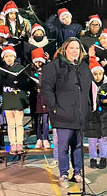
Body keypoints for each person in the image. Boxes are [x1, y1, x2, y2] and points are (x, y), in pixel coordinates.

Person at [41, 37, 93, 188]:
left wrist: (89, 106)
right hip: (62, 112)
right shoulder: (55, 66)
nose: (75, 50)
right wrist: (54, 106)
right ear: (65, 49)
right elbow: (46, 88)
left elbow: (88, 88)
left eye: (77, 48)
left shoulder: (83, 67)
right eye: (72, 48)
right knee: (63, 146)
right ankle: (63, 174)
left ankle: (77, 172)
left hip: (80, 113)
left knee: (78, 145)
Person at [0, 45, 30, 155]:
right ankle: (12, 144)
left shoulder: (20, 68)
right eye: (6, 56)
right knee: (11, 124)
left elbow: (27, 82)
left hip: (18, 99)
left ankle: (19, 143)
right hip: (7, 99)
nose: (9, 58)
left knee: (19, 124)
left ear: (14, 56)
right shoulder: (1, 70)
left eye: (11, 56)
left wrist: (19, 82)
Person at [86, 57, 107, 169]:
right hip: (92, 116)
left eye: (100, 73)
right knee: (92, 140)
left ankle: (103, 158)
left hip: (104, 116)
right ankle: (93, 158)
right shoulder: (88, 86)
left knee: (103, 139)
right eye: (95, 74)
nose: (98, 76)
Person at [29, 48, 50, 149]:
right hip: (35, 98)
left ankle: (45, 138)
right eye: (36, 61)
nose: (38, 63)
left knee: (45, 120)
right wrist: (34, 88)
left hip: (45, 97)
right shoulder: (31, 70)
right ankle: (38, 138)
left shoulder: (47, 70)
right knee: (37, 120)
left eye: (40, 61)